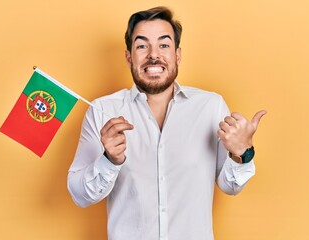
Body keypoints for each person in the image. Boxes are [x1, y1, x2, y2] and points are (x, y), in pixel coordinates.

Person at [67, 6, 266, 240]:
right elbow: (80, 195)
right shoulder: (102, 110)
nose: (153, 55)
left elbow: (230, 186)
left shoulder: (210, 106)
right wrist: (109, 161)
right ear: (129, 56)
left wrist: (242, 153)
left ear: (177, 55)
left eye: (164, 45)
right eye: (142, 45)